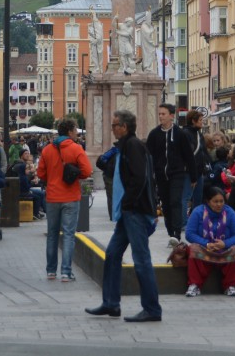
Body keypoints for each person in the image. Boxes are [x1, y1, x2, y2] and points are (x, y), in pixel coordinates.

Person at [85, 110, 162, 322]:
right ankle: (111, 303)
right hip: (127, 212)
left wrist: (127, 203)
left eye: (115, 125)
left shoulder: (133, 146)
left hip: (134, 211)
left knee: (141, 259)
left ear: (124, 127)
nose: (112, 129)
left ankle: (152, 309)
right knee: (111, 255)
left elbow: (139, 178)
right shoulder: (125, 146)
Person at [37, 117, 92, 281]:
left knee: (52, 234)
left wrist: (52, 179)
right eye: (75, 130)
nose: (76, 133)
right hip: (70, 196)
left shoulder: (47, 149)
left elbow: (40, 173)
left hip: (52, 197)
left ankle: (51, 271)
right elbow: (87, 171)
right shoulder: (76, 149)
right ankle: (66, 272)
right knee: (68, 234)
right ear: (69, 131)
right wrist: (75, 175)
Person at [146, 103, 197, 247]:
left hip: (177, 173)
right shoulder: (154, 134)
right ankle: (170, 232)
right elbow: (148, 155)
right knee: (166, 205)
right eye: (159, 114)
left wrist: (193, 176)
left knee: (175, 201)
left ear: (171, 116)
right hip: (161, 175)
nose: (160, 116)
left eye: (163, 114)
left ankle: (176, 234)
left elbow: (189, 156)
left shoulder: (180, 134)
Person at [182, 186, 235, 298]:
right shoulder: (198, 212)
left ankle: (229, 286)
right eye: (215, 201)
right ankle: (194, 285)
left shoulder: (230, 213)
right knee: (193, 248)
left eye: (221, 201)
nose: (219, 204)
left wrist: (224, 244)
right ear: (208, 201)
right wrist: (206, 243)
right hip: (205, 249)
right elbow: (189, 234)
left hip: (224, 250)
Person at [183, 109, 210, 210]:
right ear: (193, 121)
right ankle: (184, 223)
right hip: (188, 171)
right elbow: (188, 154)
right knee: (186, 197)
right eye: (200, 120)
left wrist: (206, 163)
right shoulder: (186, 133)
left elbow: (203, 151)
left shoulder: (199, 134)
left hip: (199, 171)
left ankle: (196, 220)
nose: (202, 122)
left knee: (198, 199)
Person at [14, 149, 44, 220]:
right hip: (24, 191)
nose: (27, 155)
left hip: (26, 188)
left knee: (41, 193)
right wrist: (32, 177)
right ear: (21, 155)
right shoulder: (21, 165)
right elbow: (26, 183)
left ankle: (38, 211)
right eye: (25, 153)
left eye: (28, 153)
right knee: (39, 195)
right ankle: (36, 213)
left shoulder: (25, 165)